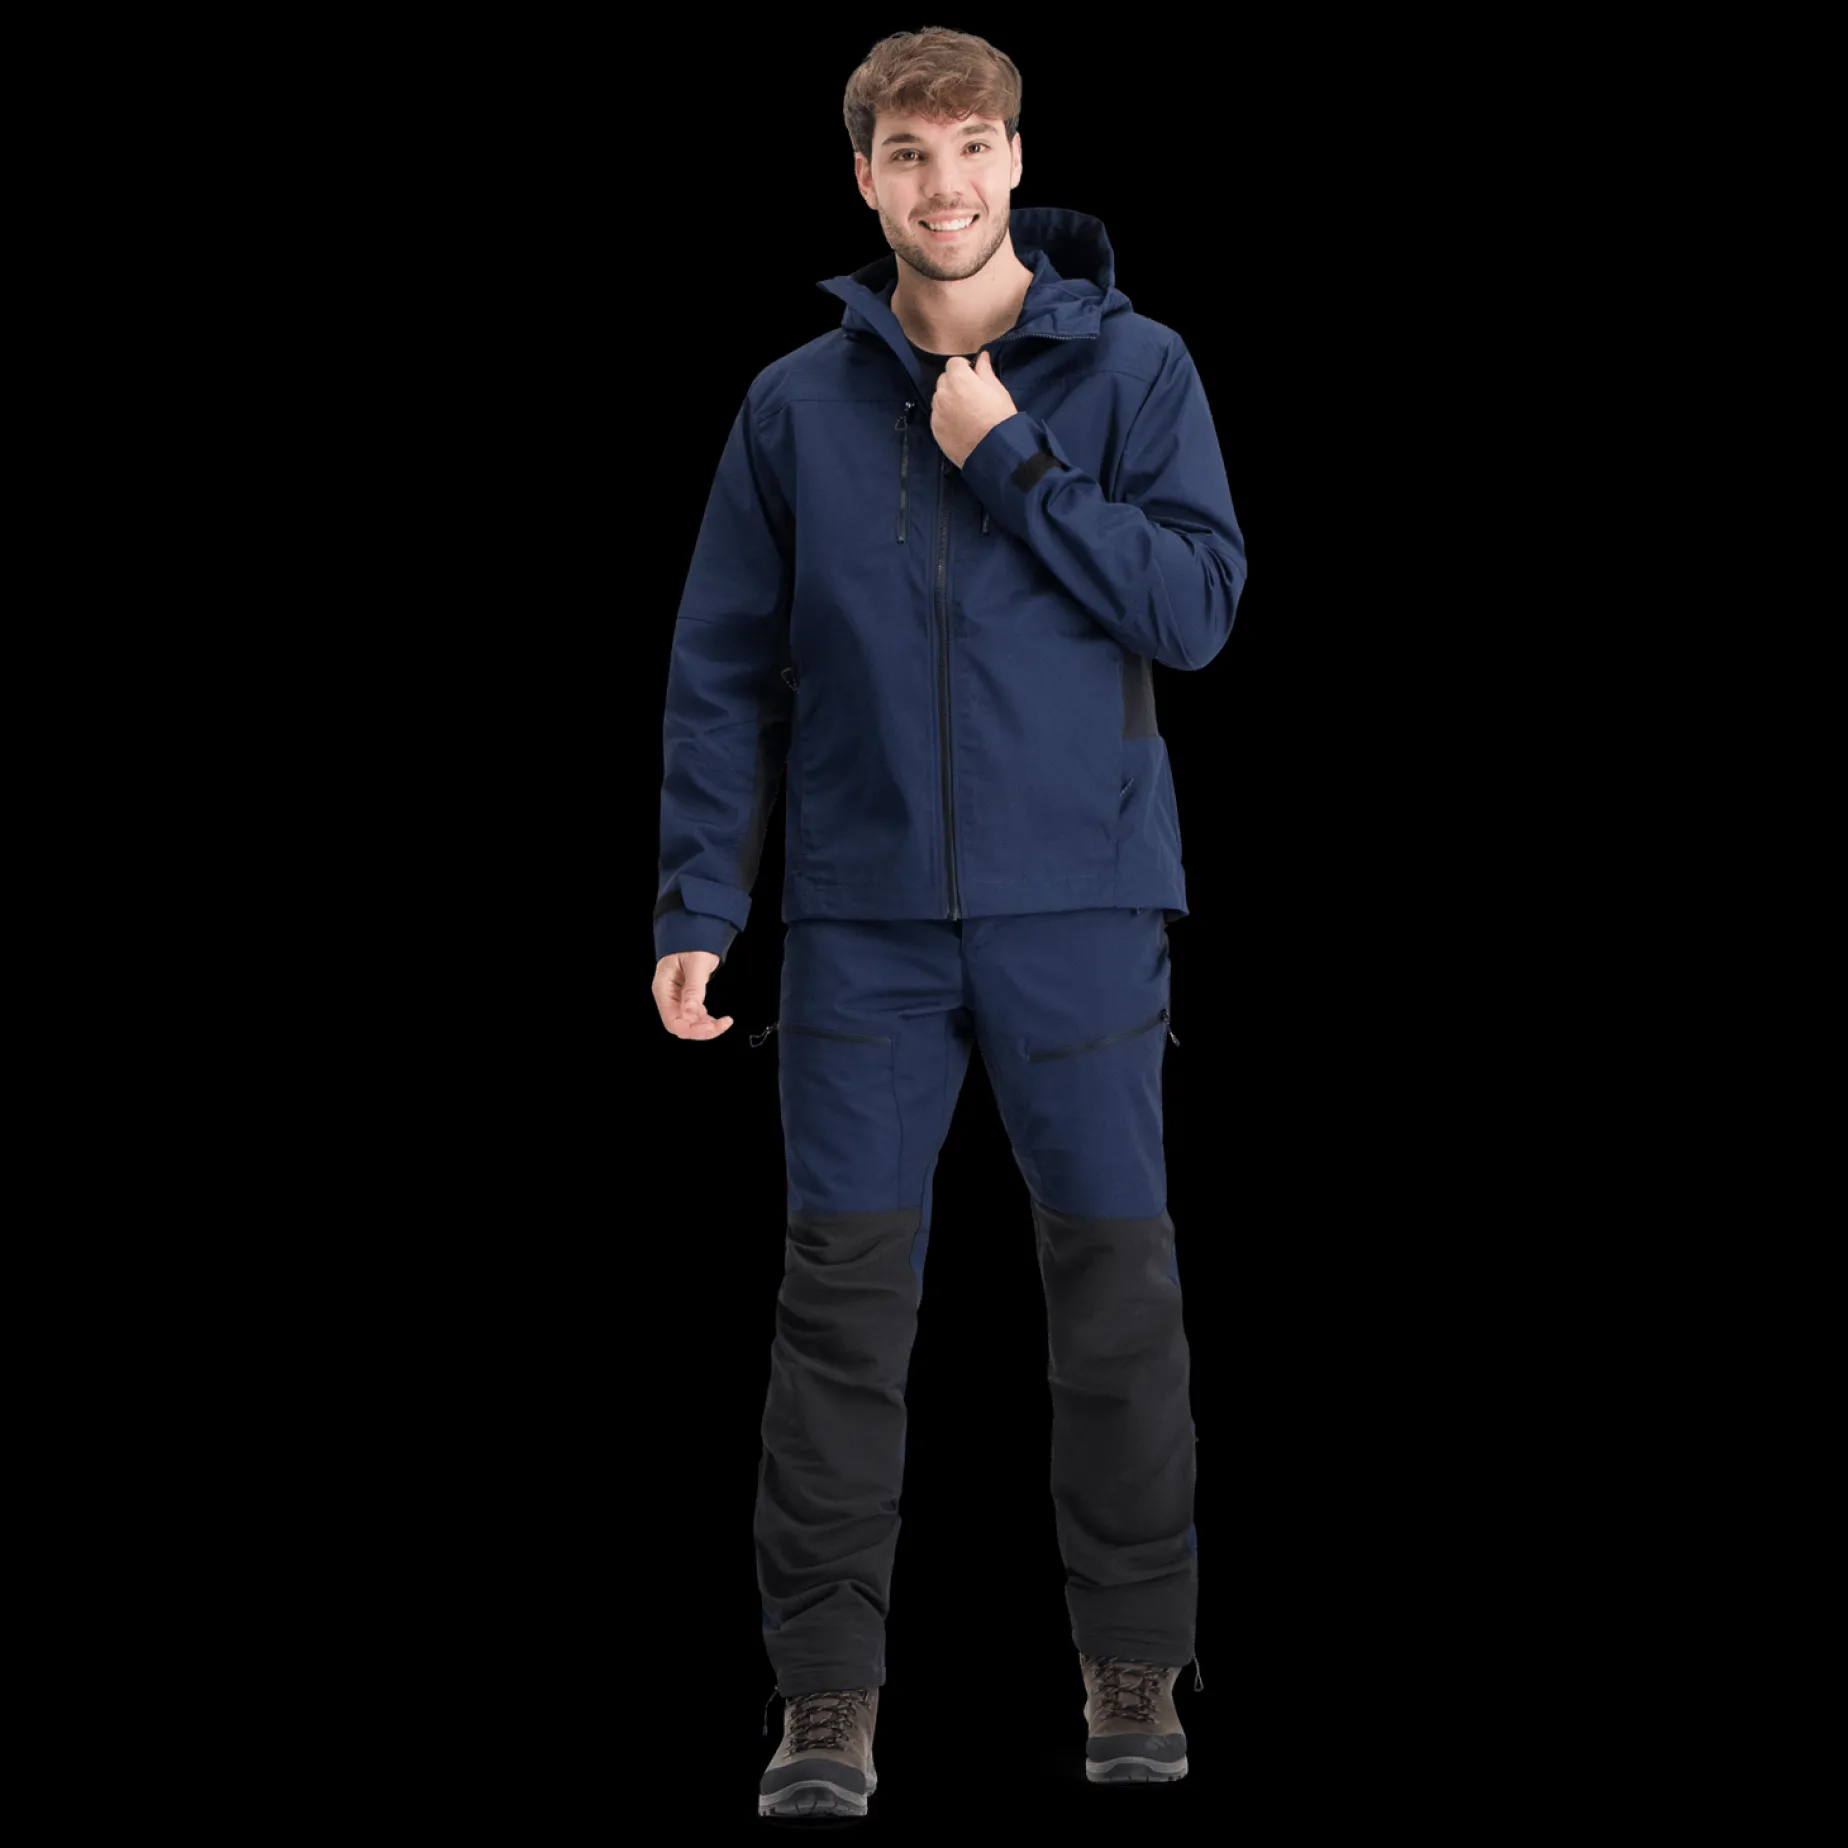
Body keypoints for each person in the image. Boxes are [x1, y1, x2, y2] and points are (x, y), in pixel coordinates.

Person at [650, 26, 1245, 1820]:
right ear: (864, 178)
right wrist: (700, 898)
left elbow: (1198, 607)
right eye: (908, 154)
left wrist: (1013, 460)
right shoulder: (792, 406)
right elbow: (722, 668)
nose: (945, 183)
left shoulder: (1137, 368)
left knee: (1116, 1301)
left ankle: (1132, 1666)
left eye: (972, 145)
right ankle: (825, 1701)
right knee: (841, 1311)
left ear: (1015, 158)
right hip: (863, 927)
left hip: (1085, 912)